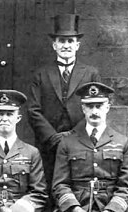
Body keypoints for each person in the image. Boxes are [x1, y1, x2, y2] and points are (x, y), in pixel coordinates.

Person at [27, 14, 101, 196]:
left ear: (77, 45)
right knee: (49, 188)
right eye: (62, 41)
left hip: (80, 142)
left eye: (70, 41)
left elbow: (97, 109)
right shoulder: (41, 74)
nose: (66, 45)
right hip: (49, 145)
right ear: (54, 45)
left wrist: (74, 135)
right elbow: (33, 110)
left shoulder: (91, 74)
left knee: (77, 189)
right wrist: (53, 138)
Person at [52, 82, 128, 212]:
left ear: (107, 107)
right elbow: (60, 184)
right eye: (90, 106)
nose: (94, 111)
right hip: (77, 206)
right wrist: (74, 208)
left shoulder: (123, 143)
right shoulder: (67, 143)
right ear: (83, 108)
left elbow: (127, 187)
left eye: (99, 106)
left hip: (112, 207)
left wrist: (111, 210)